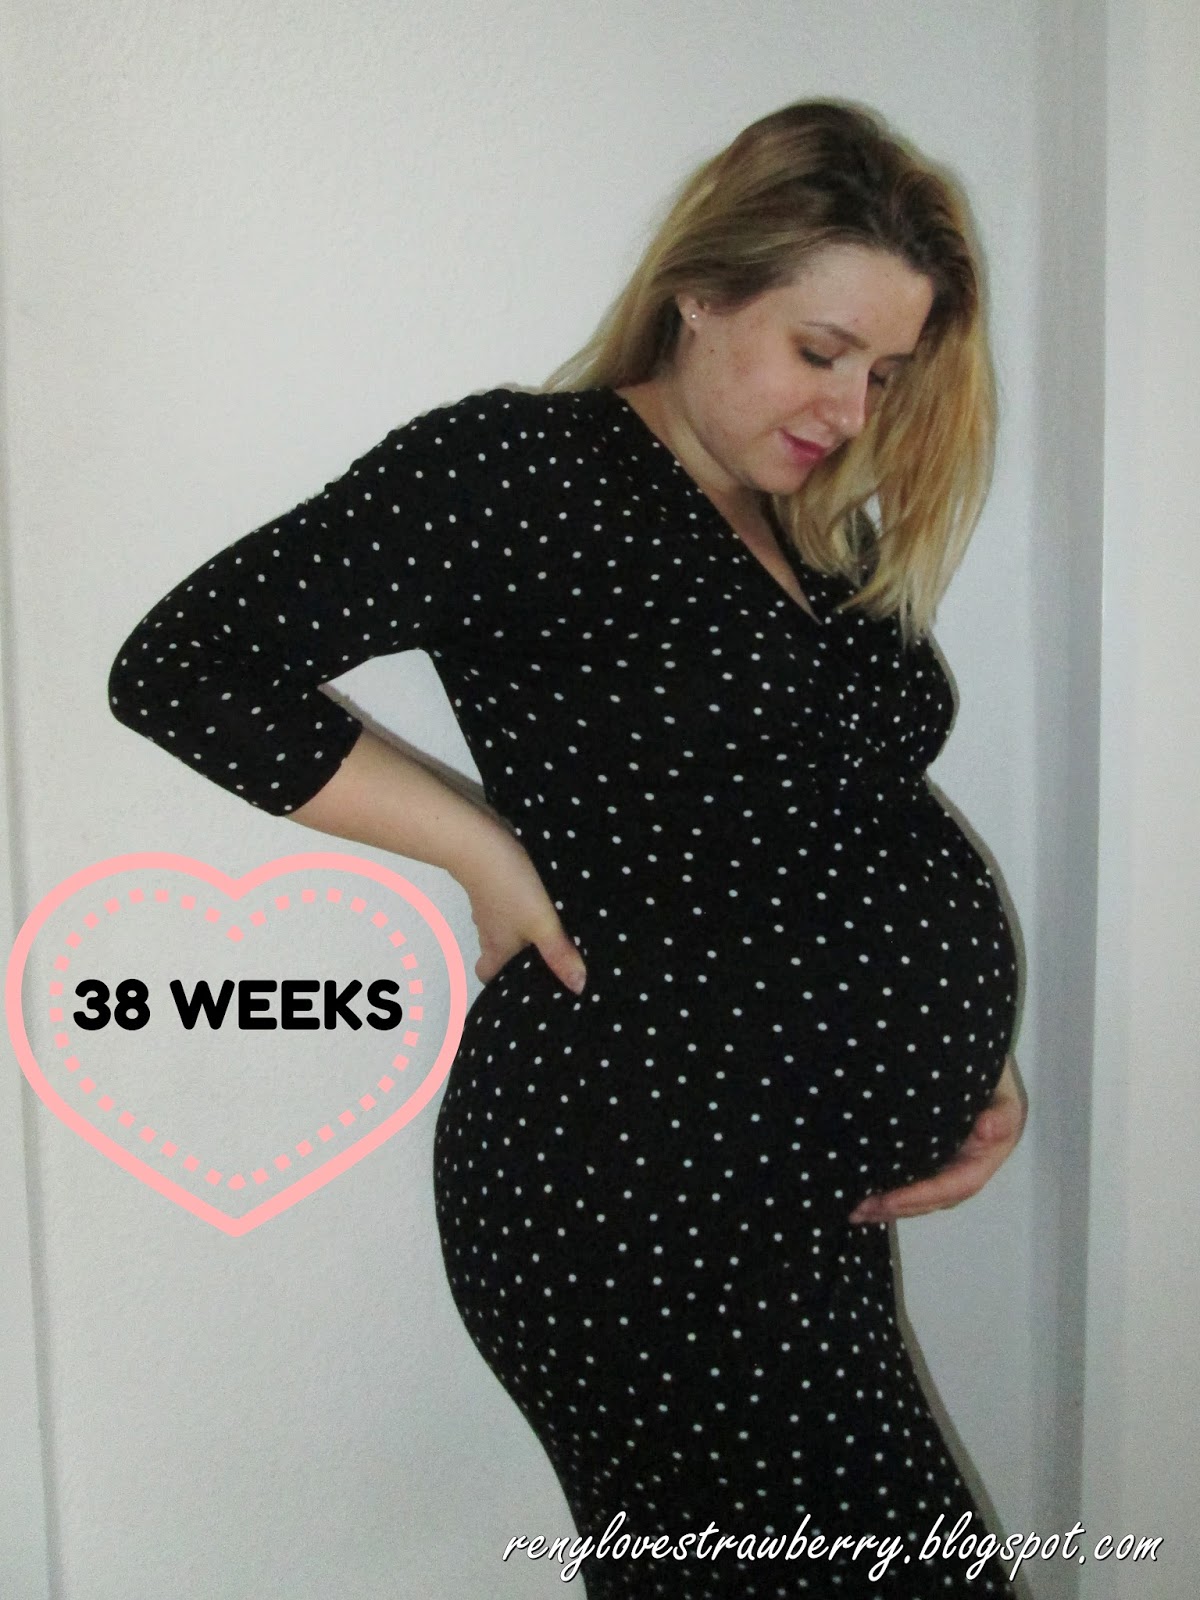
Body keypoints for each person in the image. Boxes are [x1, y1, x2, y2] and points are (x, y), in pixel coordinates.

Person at [109, 100, 1025, 1597]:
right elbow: (184, 666)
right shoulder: (526, 471)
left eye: (885, 372)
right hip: (640, 1182)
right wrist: (482, 853)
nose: (853, 409)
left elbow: (825, 825)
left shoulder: (806, 529)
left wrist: (960, 1061)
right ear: (701, 290)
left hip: (781, 1192)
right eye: (820, 351)